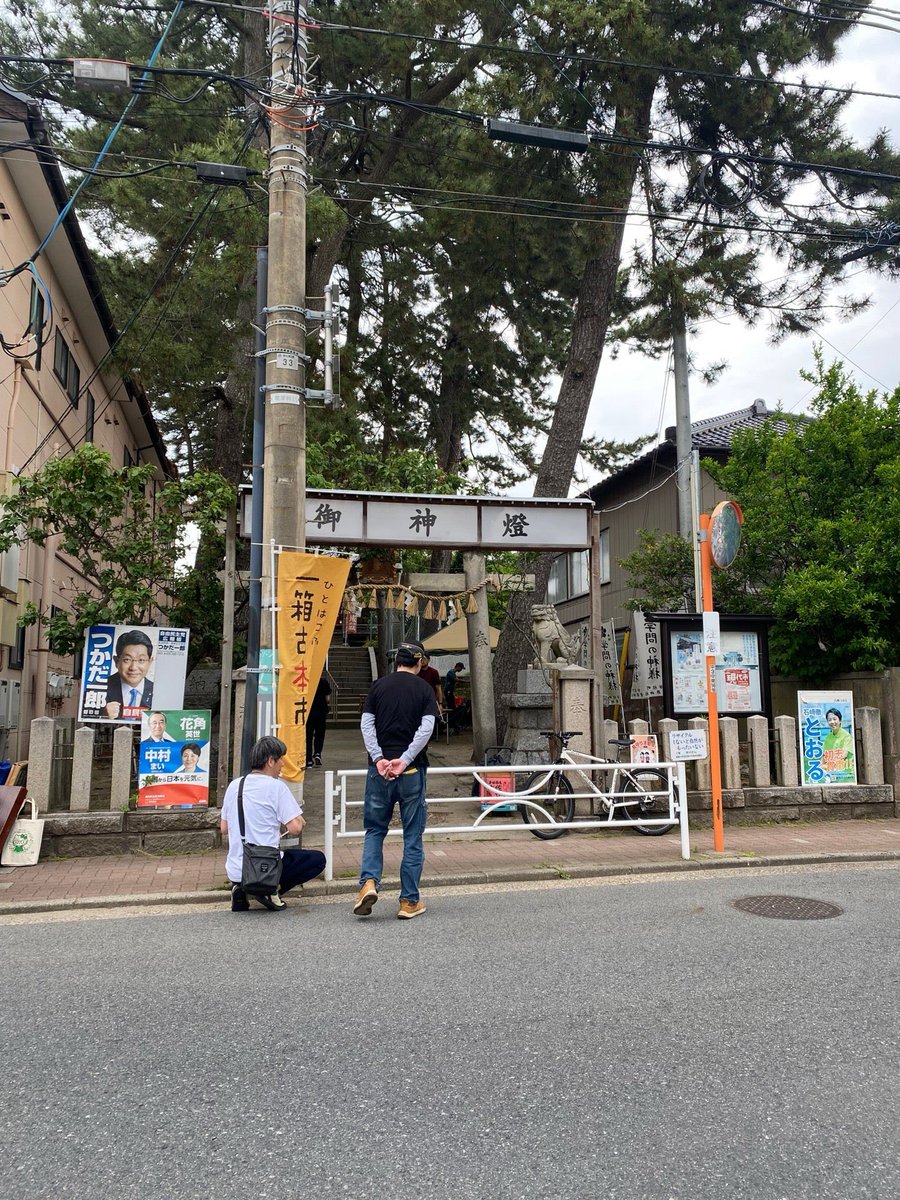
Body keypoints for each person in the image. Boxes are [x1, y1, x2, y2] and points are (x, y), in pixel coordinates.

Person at [353, 639, 439, 921]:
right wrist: (405, 759)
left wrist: (379, 759)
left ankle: (368, 883)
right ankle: (408, 901)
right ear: (419, 662)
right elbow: (427, 728)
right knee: (412, 836)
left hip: (379, 773)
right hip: (411, 772)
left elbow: (366, 724)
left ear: (396, 661)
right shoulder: (424, 689)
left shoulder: (378, 686)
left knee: (375, 831)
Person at [220, 735, 326, 912]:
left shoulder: (235, 785)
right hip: (264, 868)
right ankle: (270, 889)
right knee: (317, 859)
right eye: (281, 760)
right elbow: (295, 828)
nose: (282, 765)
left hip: (236, 869)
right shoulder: (277, 787)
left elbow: (224, 828)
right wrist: (298, 820)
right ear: (270, 761)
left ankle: (242, 889)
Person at [104, 630, 155, 720]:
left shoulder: (158, 691)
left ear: (150, 662)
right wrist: (104, 715)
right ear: (116, 661)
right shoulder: (99, 687)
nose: (133, 667)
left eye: (141, 660)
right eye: (127, 659)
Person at [305, 673, 332, 767]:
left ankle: (308, 760)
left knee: (308, 736)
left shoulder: (306, 681)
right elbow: (327, 698)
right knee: (319, 735)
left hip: (308, 713)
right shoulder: (323, 682)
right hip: (321, 712)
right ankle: (317, 754)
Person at [822, 707, 854, 775]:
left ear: (840, 720)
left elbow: (844, 755)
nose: (832, 722)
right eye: (829, 720)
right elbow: (824, 756)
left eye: (834, 719)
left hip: (844, 771)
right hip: (830, 769)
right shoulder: (828, 737)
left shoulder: (846, 736)